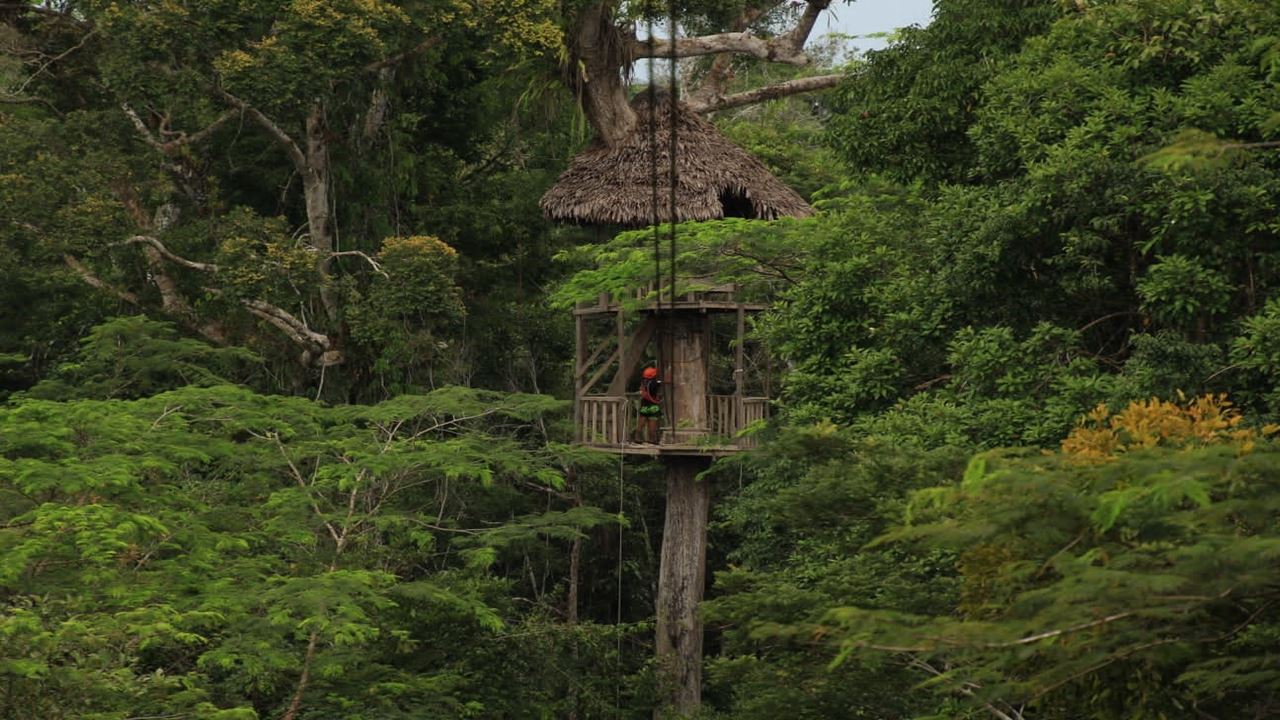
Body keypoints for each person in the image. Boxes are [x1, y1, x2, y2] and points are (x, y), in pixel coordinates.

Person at [636, 366, 663, 444]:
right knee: (652, 421)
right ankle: (652, 439)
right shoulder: (654, 383)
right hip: (653, 405)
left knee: (642, 421)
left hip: (644, 404)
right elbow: (659, 383)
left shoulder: (644, 381)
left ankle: (637, 437)